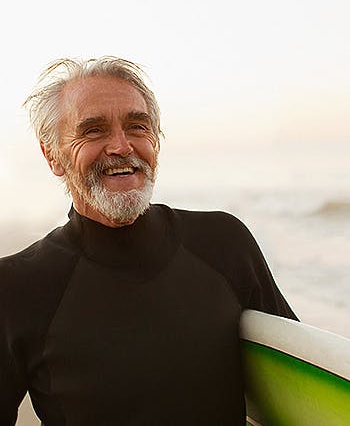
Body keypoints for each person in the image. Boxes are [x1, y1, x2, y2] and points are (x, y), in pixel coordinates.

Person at [0, 57, 297, 426]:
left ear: (155, 141)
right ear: (52, 156)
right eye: (93, 131)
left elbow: (299, 374)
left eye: (137, 126)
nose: (121, 146)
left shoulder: (224, 244)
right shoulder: (16, 285)